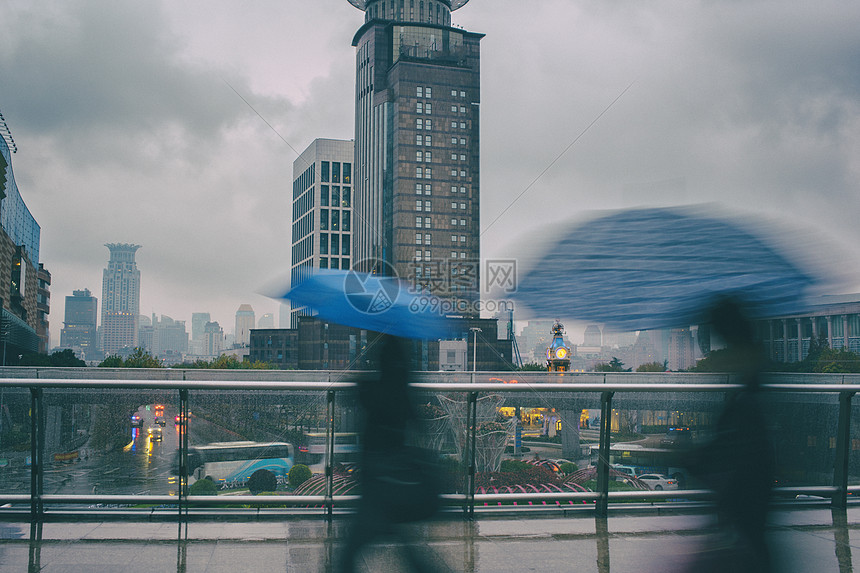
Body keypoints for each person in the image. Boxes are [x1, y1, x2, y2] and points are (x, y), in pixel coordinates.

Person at [338, 335, 440, 573]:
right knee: (406, 547)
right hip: (396, 478)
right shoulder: (403, 390)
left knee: (350, 552)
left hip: (377, 480)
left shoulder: (373, 390)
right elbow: (419, 424)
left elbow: (356, 398)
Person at [687, 296, 774, 572]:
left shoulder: (747, 397)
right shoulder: (753, 385)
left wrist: (694, 458)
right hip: (747, 508)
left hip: (742, 506)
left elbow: (731, 449)